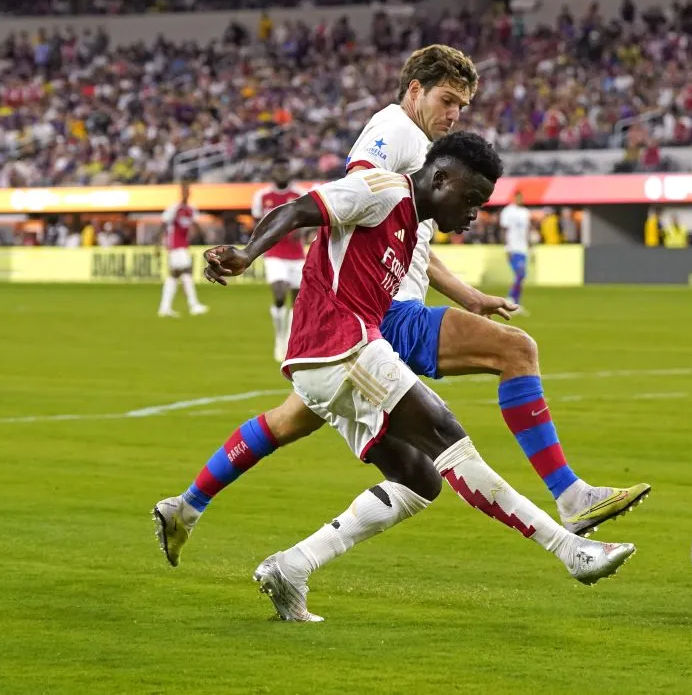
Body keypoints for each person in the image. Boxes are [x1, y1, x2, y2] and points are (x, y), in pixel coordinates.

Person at [152, 45, 648, 568]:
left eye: (462, 106)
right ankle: (570, 504)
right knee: (512, 356)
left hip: (363, 317)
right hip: (380, 313)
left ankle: (199, 511)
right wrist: (254, 253)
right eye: (447, 100)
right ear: (415, 90)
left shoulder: (420, 160)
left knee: (320, 432)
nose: (454, 114)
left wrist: (466, 295)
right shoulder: (397, 132)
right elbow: (358, 195)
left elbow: (407, 230)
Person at [189, 133, 637, 621]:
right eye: (470, 199)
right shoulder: (381, 190)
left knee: (419, 479)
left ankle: (292, 566)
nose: (473, 214)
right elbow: (299, 208)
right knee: (447, 435)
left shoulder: (409, 229)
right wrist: (247, 253)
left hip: (339, 355)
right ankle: (571, 549)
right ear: (440, 178)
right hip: (339, 349)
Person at [252, 157, 306, 359]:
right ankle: (279, 339)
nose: (282, 173)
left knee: (298, 301)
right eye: (278, 169)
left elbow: (311, 220)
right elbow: (257, 226)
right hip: (273, 253)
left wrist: (302, 230)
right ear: (273, 172)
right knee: (279, 290)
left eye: (285, 169)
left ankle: (289, 341)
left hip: (296, 255)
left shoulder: (300, 194)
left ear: (289, 171)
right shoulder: (262, 196)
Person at [157, 180, 208, 317]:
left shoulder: (191, 209)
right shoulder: (174, 208)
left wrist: (203, 235)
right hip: (174, 245)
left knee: (176, 275)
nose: (186, 193)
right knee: (185, 271)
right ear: (181, 192)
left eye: (188, 191)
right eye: (184, 191)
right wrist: (157, 243)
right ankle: (193, 305)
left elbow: (195, 224)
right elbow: (163, 224)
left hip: (183, 245)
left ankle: (165, 307)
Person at [498, 190, 531, 308]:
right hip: (513, 248)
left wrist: (529, 246)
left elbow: (527, 231)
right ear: (514, 198)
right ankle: (511, 298)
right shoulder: (508, 211)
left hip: (523, 248)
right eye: (518, 197)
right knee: (520, 274)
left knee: (521, 276)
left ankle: (516, 302)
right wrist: (507, 248)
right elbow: (504, 230)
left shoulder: (525, 212)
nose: (520, 200)